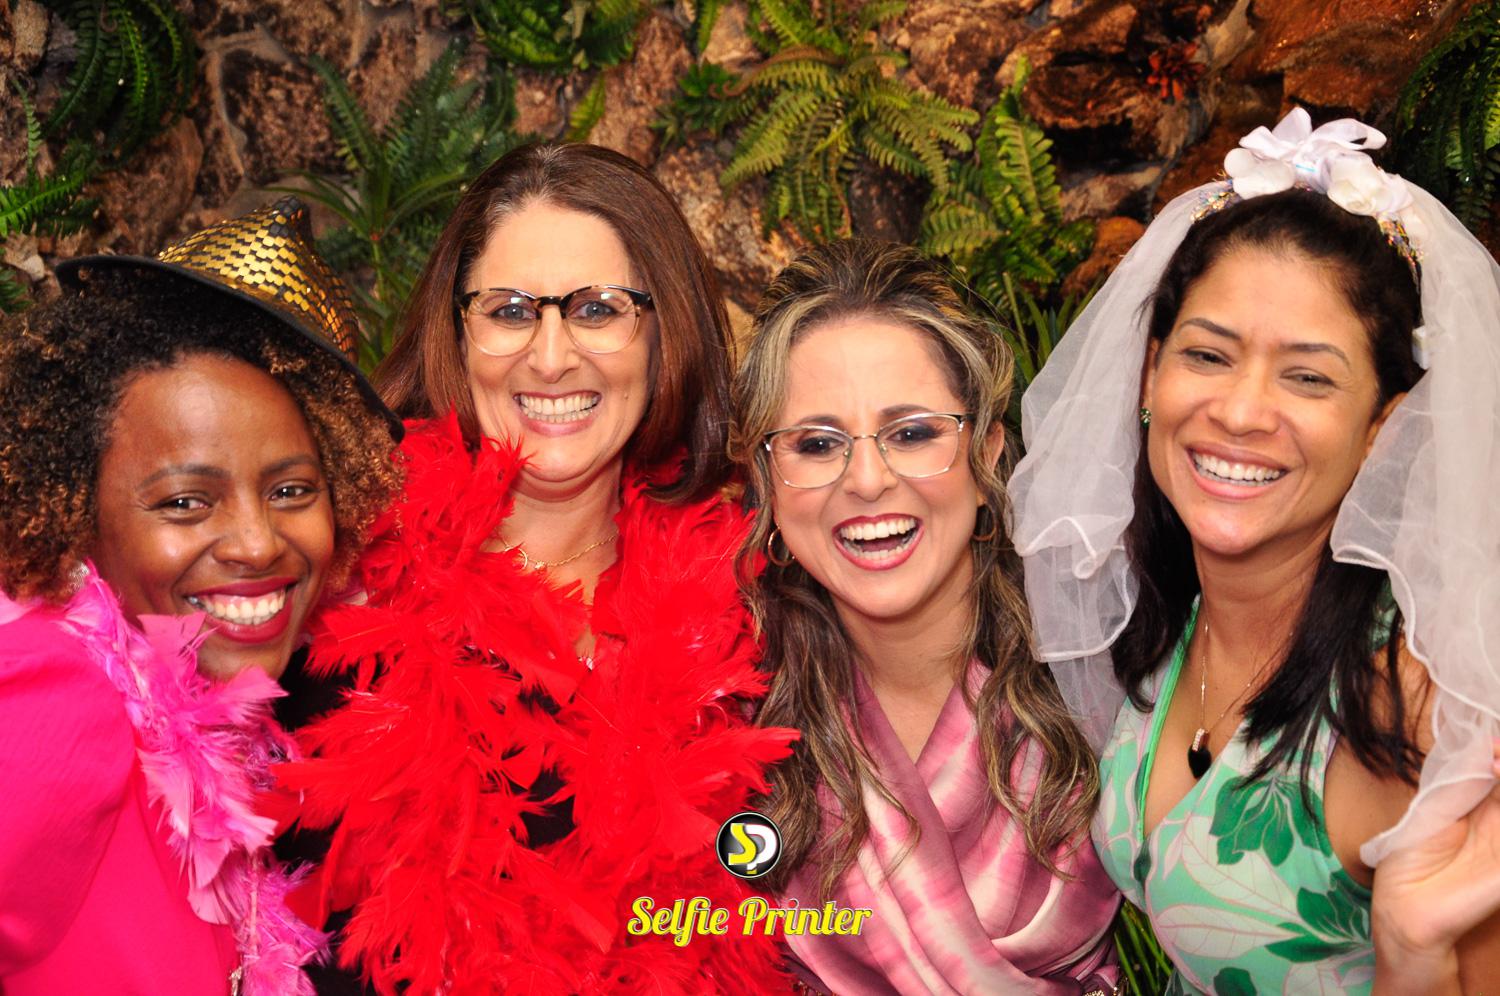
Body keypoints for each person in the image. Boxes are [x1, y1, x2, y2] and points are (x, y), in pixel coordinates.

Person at [278, 143, 799, 995]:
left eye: (597, 308)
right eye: (510, 310)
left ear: (664, 333)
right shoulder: (329, 588)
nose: (551, 356)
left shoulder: (758, 600)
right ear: (458, 333)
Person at [1012, 108, 1500, 992]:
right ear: (1150, 374)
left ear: (1383, 427)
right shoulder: (1164, 613)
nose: (1240, 412)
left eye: (1308, 376)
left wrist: (1413, 948)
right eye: (1208, 355)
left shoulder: (1421, 706)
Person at [0, 198, 403, 995]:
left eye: (291, 490)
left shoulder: (224, 724)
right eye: (186, 501)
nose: (257, 542)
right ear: (76, 509)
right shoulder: (53, 696)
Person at [728, 239, 1120, 994]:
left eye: (912, 434)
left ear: (988, 452)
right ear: (767, 481)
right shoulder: (723, 723)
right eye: (817, 444)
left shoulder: (1108, 691)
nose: (867, 479)